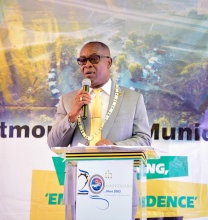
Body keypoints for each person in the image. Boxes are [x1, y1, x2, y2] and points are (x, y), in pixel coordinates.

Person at [47, 41, 151, 219]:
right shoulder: (68, 99)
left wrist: (115, 146)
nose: (88, 64)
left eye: (94, 59)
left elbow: (144, 139)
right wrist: (72, 115)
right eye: (83, 60)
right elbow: (54, 143)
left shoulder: (133, 99)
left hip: (120, 185)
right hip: (79, 188)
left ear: (109, 62)